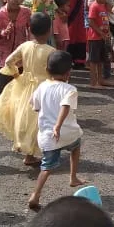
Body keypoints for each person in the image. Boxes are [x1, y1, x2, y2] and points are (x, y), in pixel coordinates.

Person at [0, 12, 57, 168]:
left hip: (24, 85)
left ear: (30, 30)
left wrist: (17, 74)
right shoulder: (51, 51)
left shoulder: (25, 46)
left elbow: (9, 61)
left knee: (24, 116)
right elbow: (54, 72)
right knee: (41, 119)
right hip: (44, 88)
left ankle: (27, 150)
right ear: (49, 30)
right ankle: (36, 153)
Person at [28, 51, 87, 210]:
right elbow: (65, 106)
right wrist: (58, 125)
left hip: (47, 136)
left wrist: (51, 123)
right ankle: (73, 177)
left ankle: (35, 194)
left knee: (46, 168)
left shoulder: (42, 86)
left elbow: (33, 105)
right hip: (67, 133)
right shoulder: (70, 89)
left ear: (47, 70)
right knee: (76, 146)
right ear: (69, 73)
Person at [0, 0, 33, 97]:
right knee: (5, 85)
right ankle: (5, 109)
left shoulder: (26, 12)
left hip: (21, 55)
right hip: (5, 56)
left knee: (20, 83)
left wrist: (31, 45)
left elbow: (32, 30)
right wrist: (3, 33)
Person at [86, 0, 114, 89]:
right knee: (94, 61)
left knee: (100, 60)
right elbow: (91, 21)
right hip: (94, 38)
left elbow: (106, 19)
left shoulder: (103, 6)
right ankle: (93, 83)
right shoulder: (94, 6)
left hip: (102, 37)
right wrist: (100, 33)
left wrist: (107, 33)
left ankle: (101, 80)